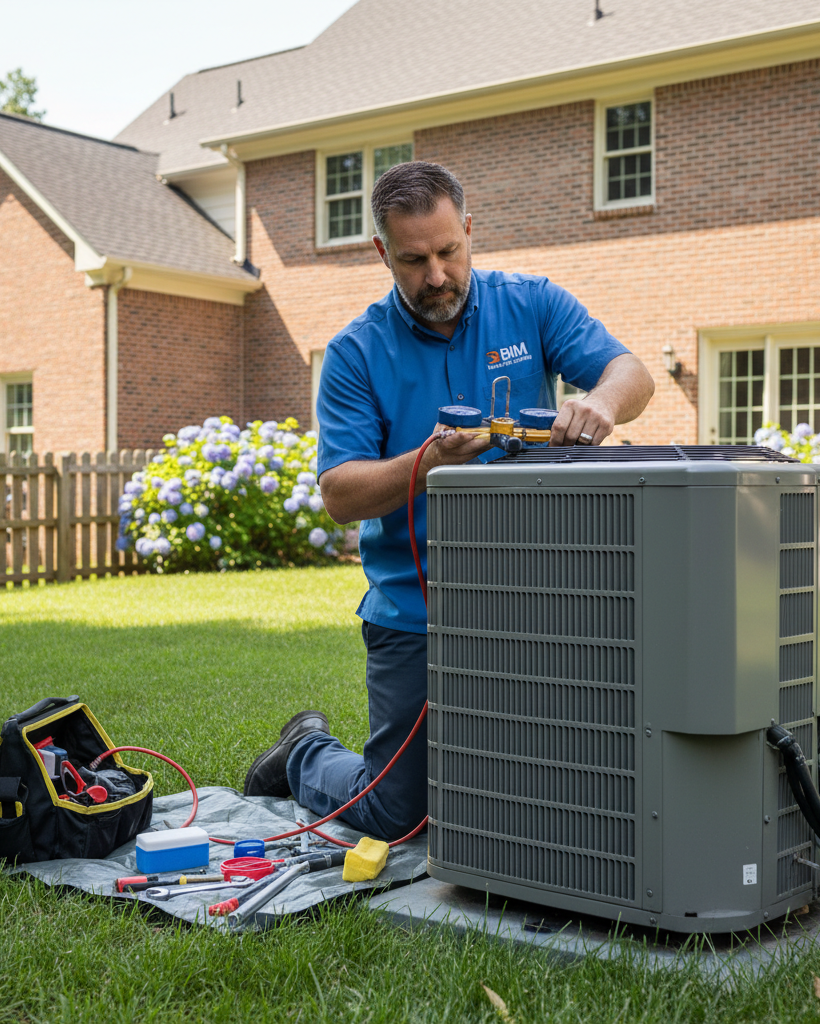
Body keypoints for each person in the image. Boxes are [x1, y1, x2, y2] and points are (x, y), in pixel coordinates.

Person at [244, 161, 654, 839]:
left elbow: (629, 373)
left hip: (537, 598)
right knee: (397, 818)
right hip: (414, 609)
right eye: (413, 260)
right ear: (382, 252)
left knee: (542, 793)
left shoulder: (532, 303)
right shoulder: (355, 352)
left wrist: (602, 403)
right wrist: (427, 462)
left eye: (448, 252)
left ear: (468, 229)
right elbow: (340, 495)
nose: (436, 276)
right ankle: (304, 754)